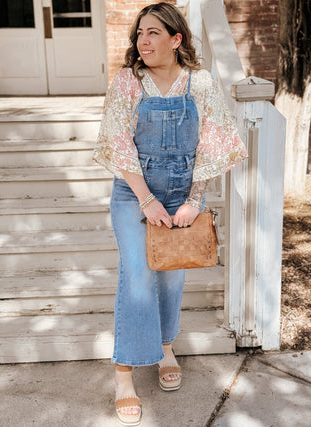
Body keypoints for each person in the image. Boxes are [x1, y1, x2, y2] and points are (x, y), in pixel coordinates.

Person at [93, 3, 248, 425]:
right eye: (139, 34)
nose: (143, 41)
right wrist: (147, 199)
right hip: (134, 194)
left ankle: (165, 347)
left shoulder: (199, 82)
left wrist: (194, 199)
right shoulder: (128, 81)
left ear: (176, 39)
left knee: (172, 275)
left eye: (153, 33)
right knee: (138, 276)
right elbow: (118, 144)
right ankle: (124, 374)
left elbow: (212, 142)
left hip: (182, 195)